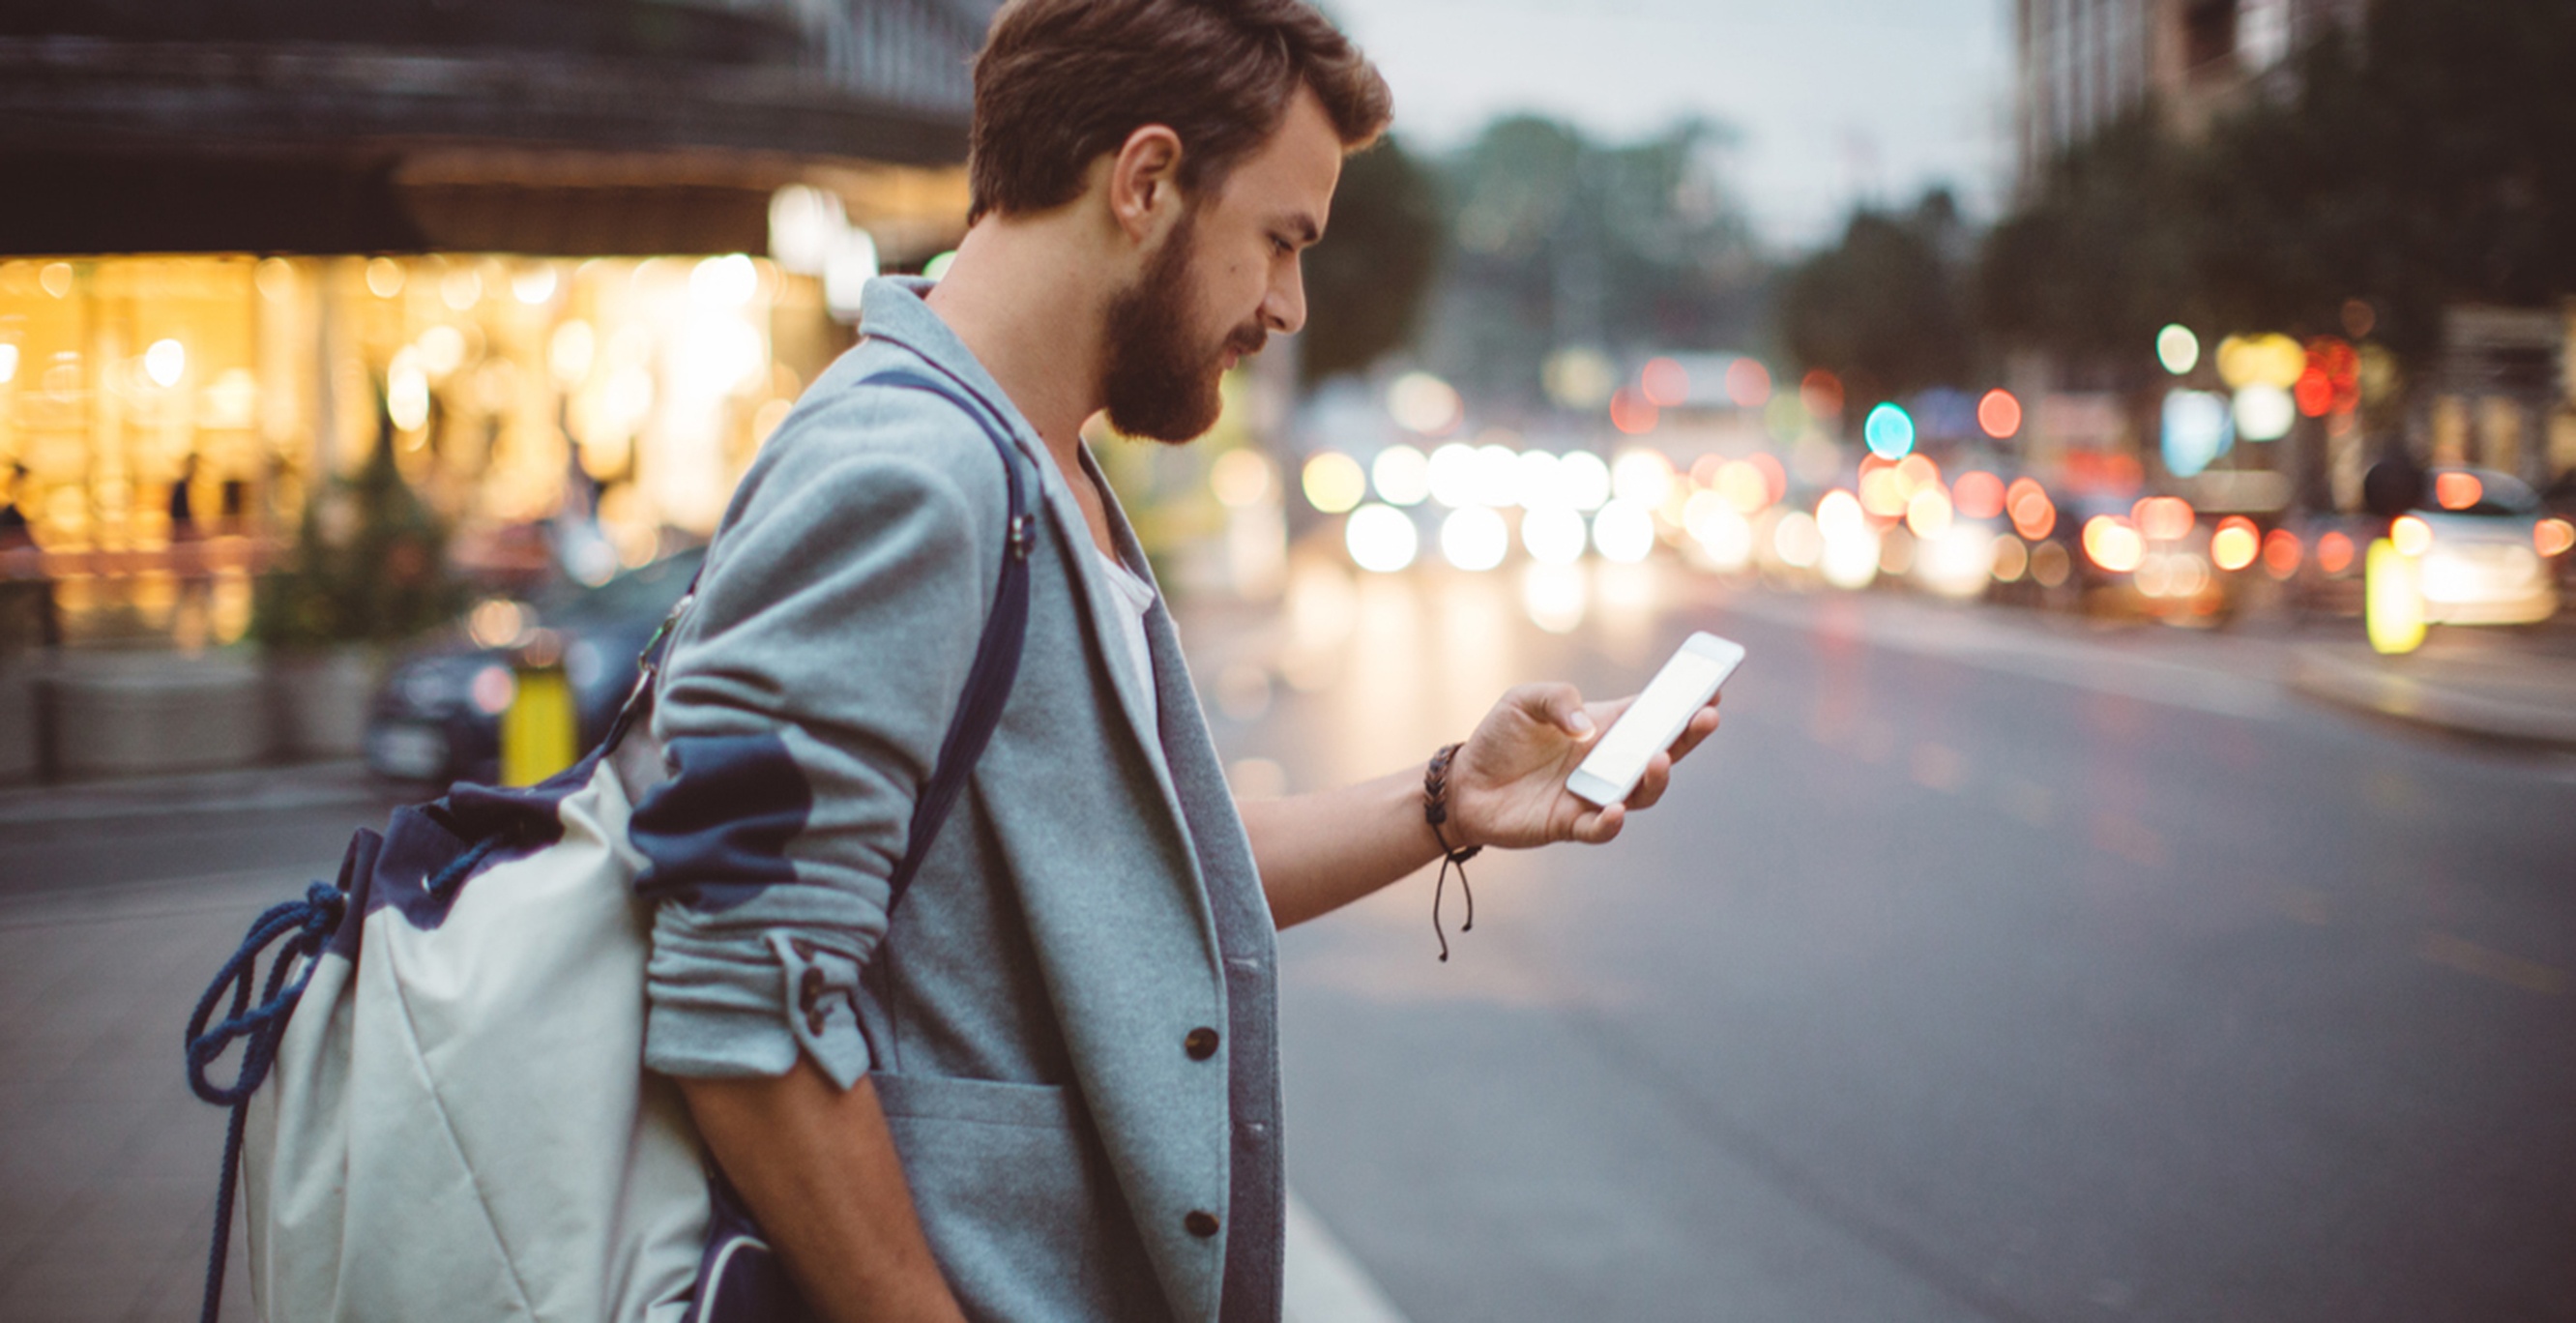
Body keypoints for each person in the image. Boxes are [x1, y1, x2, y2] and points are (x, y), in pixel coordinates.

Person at [636, 2, 1723, 1320]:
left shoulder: (1030, 465)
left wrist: (1449, 800)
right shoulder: (909, 475)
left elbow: (1122, 880)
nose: (1288, 304)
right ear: (1146, 180)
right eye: (1280, 241)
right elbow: (738, 988)